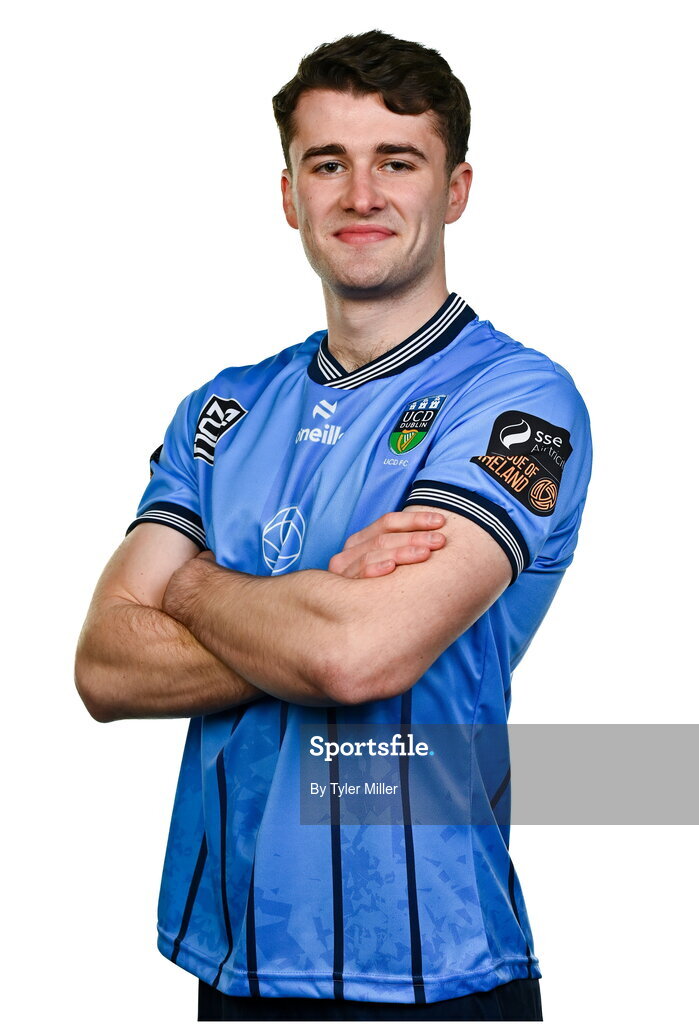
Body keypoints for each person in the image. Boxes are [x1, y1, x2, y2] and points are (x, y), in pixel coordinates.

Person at [75, 29, 591, 1022]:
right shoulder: (221, 409)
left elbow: (359, 657)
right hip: (233, 962)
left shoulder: (519, 399)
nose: (361, 195)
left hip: (440, 969)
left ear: (458, 189)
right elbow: (103, 665)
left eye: (398, 161)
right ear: (289, 196)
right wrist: (315, 607)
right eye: (328, 164)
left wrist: (185, 588)